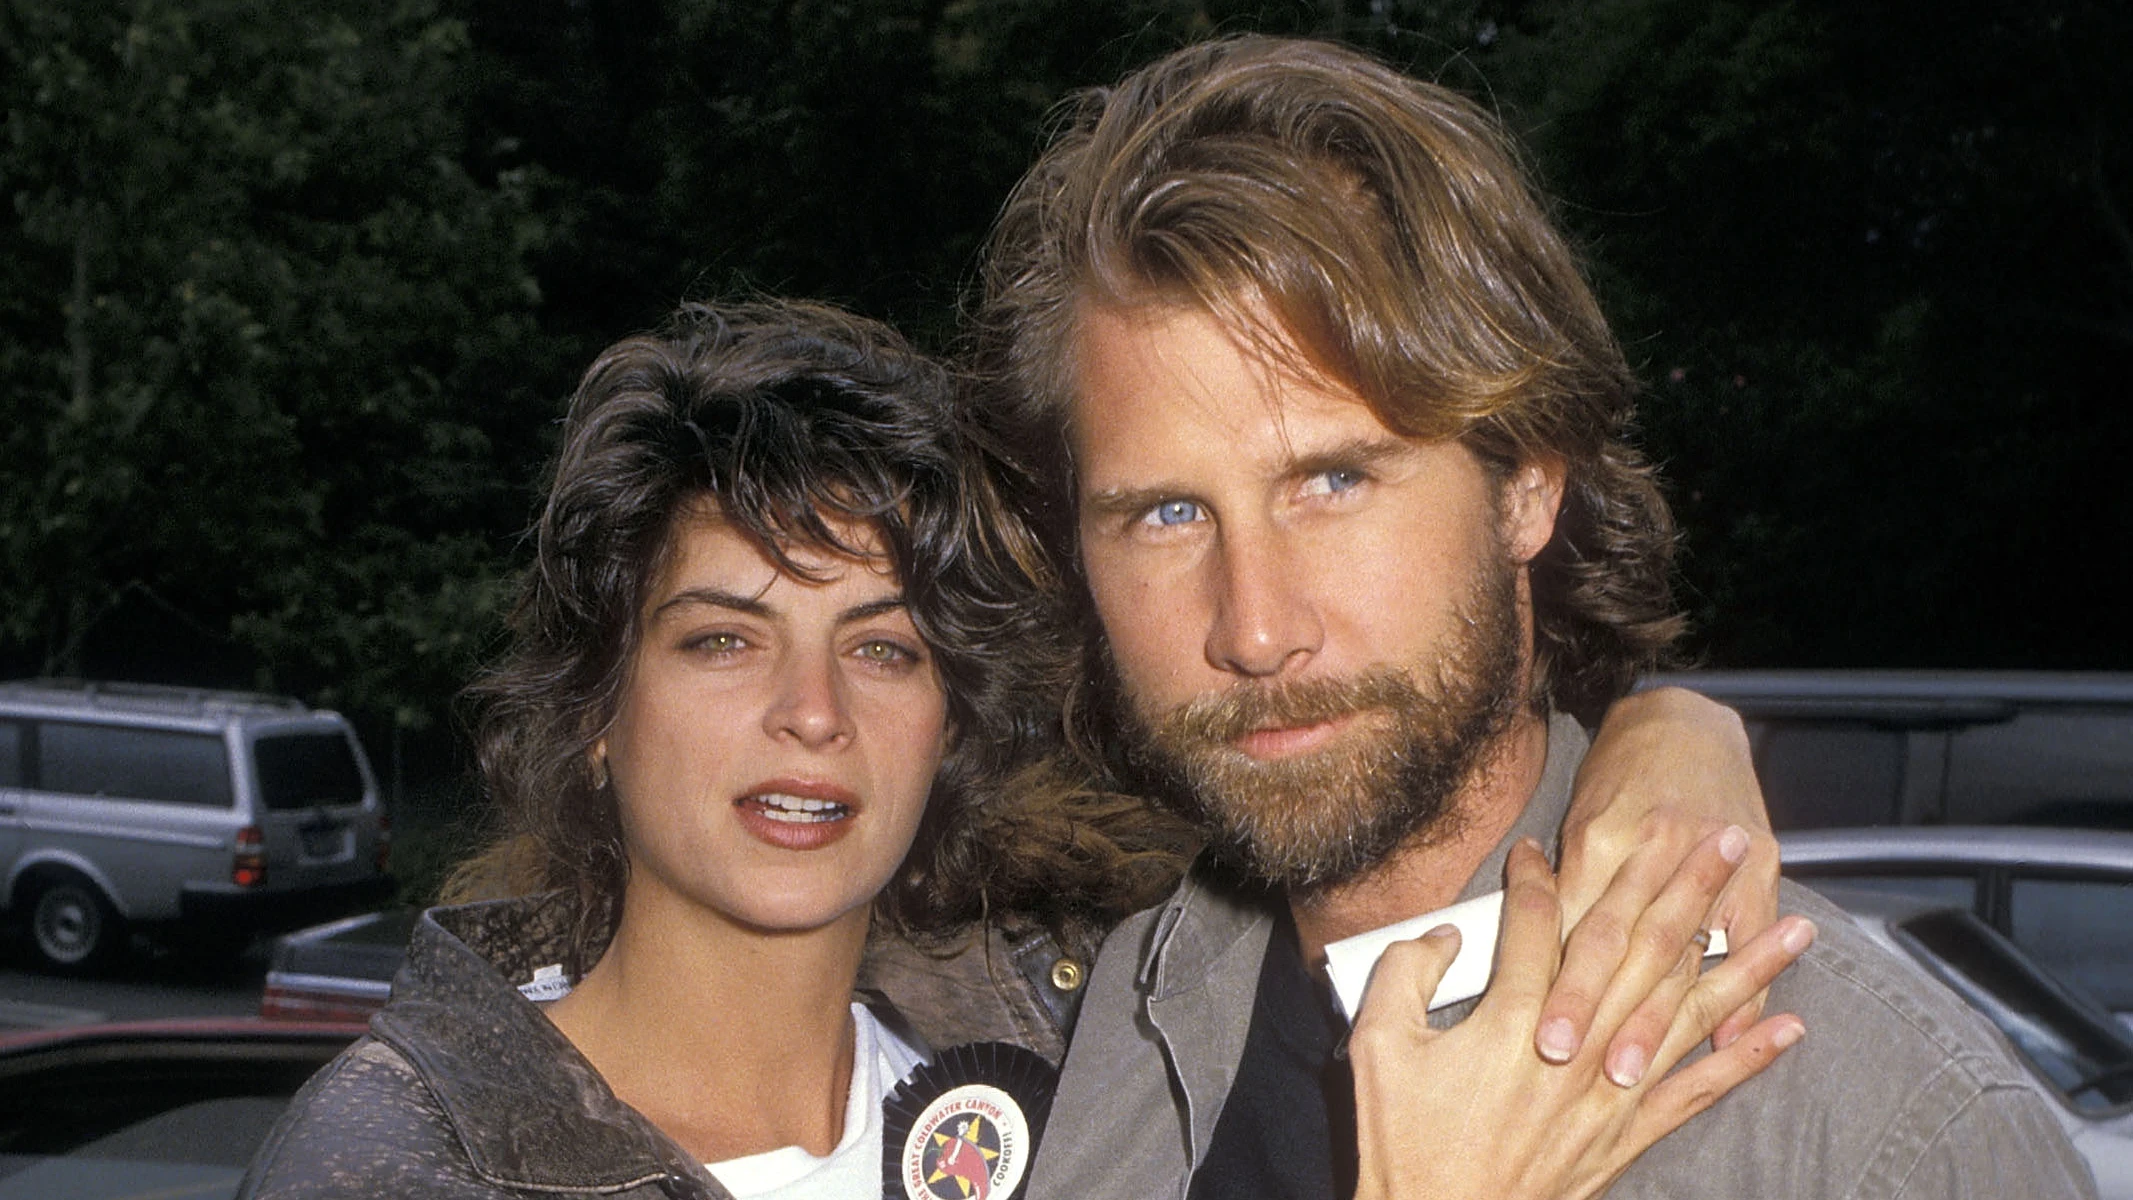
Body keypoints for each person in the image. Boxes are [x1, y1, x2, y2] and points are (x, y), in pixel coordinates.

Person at [239, 300, 1800, 1200]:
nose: (811, 713)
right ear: (595, 714)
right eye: (721, 639)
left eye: (884, 649)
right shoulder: (402, 1163)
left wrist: (1666, 733)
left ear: (949, 723)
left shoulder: (1064, 1050)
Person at [970, 35, 2097, 1200]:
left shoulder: (1878, 1136)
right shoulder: (1121, 1010)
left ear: (1527, 486)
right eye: (1165, 514)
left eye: (1335, 481)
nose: (1253, 631)